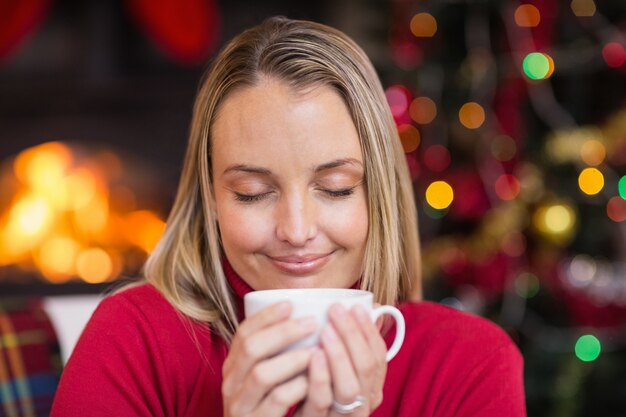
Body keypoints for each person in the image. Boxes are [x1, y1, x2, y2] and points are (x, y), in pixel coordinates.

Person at [51, 16, 526, 417]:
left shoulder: (470, 365)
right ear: (211, 199)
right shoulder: (136, 339)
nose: (296, 232)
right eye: (252, 193)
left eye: (335, 189)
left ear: (377, 195)